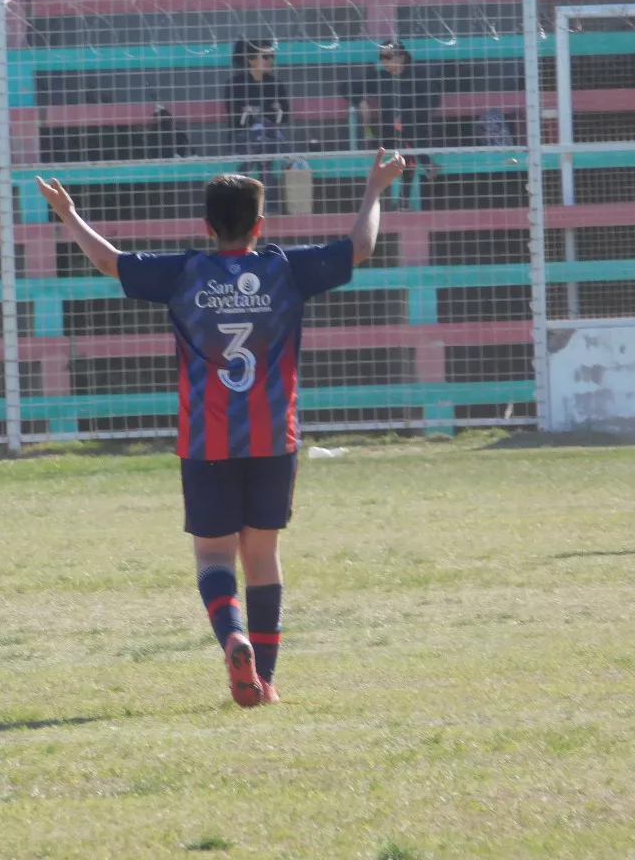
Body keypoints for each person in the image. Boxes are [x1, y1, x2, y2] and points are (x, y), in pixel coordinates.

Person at [35, 149, 406, 705]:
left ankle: (232, 636)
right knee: (262, 555)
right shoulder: (283, 268)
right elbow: (360, 247)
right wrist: (375, 188)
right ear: (261, 226)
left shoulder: (184, 272)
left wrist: (68, 214)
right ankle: (269, 679)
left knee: (213, 556)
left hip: (207, 440)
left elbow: (111, 261)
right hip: (273, 439)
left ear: (207, 227)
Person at [347, 39, 440, 210]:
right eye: (381, 56)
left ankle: (405, 198)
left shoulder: (417, 75)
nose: (383, 61)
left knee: (406, 142)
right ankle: (427, 165)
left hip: (417, 128)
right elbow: (346, 87)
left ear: (401, 57)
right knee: (403, 144)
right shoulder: (381, 78)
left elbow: (433, 100)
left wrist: (406, 115)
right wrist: (359, 101)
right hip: (390, 133)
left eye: (388, 56)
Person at [228, 38, 292, 215]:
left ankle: (244, 203)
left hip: (269, 138)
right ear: (251, 59)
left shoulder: (275, 83)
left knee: (264, 140)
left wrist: (273, 111)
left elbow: (285, 116)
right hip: (244, 137)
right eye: (266, 56)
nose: (271, 60)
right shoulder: (235, 84)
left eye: (272, 56)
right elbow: (235, 119)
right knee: (262, 150)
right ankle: (268, 207)